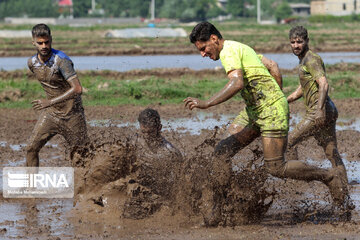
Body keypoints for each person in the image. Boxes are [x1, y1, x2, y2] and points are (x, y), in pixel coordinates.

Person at [183, 21, 347, 226]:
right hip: (255, 111)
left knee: (276, 167)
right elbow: (272, 65)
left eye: (204, 48)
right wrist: (277, 94)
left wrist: (206, 103)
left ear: (214, 39)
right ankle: (223, 208)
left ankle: (329, 176)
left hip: (269, 112)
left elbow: (237, 82)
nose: (203, 54)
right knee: (222, 152)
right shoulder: (240, 47)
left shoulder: (228, 52)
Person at [286, 25, 349, 200]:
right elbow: (303, 87)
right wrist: (286, 100)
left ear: (307, 41)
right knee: (331, 152)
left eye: (299, 41)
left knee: (289, 142)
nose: (296, 45)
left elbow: (323, 84)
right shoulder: (304, 60)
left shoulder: (311, 59)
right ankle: (342, 185)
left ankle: (294, 180)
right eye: (293, 42)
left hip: (318, 112)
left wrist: (319, 110)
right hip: (328, 110)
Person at [26, 23, 88, 167]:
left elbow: (77, 88)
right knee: (31, 148)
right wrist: (51, 105)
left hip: (72, 115)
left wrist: (49, 102)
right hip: (51, 115)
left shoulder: (61, 61)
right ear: (33, 42)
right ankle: (30, 188)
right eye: (40, 43)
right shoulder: (32, 63)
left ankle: (84, 188)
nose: (44, 46)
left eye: (46, 42)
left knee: (81, 155)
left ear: (51, 40)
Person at [135, 108, 183, 198]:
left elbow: (180, 180)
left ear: (159, 128)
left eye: (150, 132)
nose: (146, 136)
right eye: (143, 132)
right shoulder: (135, 143)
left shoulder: (170, 152)